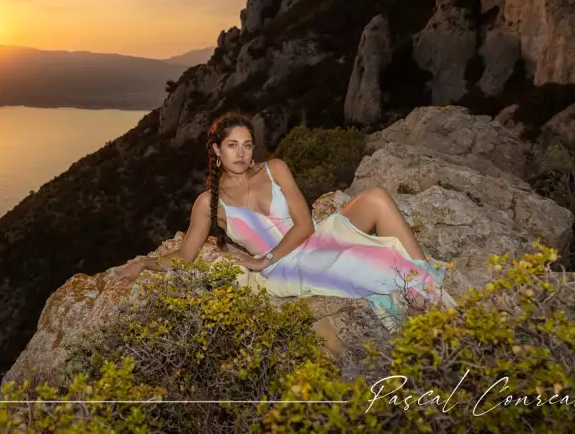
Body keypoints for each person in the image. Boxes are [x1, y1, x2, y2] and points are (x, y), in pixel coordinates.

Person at [114, 112, 456, 331]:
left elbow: (305, 224)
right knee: (368, 264)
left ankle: (426, 282)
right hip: (287, 268)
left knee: (377, 197)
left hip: (308, 241)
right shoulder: (208, 204)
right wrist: (145, 262)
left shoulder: (274, 169)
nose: (241, 153)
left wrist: (264, 258)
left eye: (247, 145)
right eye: (232, 145)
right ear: (217, 151)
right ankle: (420, 286)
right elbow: (185, 256)